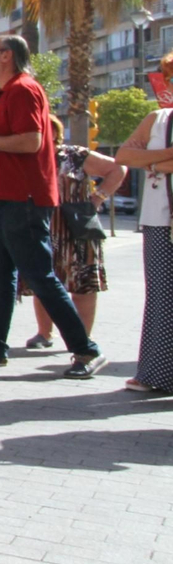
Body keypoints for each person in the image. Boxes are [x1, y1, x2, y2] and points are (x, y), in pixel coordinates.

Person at [0, 35, 106, 377]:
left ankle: (86, 350)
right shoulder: (10, 91)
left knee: (39, 275)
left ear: (6, 56)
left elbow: (31, 140)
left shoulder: (23, 89)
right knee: (0, 274)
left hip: (23, 201)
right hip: (4, 201)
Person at [22, 115, 124, 347]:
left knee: (83, 284)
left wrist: (98, 198)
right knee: (43, 283)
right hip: (43, 227)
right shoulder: (27, 159)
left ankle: (82, 337)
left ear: (56, 133)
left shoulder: (75, 155)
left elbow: (118, 169)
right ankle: (44, 333)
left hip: (78, 227)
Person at [114, 80, 173, 393]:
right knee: (162, 296)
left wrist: (151, 161)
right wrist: (165, 158)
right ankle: (157, 373)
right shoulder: (157, 119)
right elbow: (124, 156)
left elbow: (138, 159)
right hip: (159, 219)